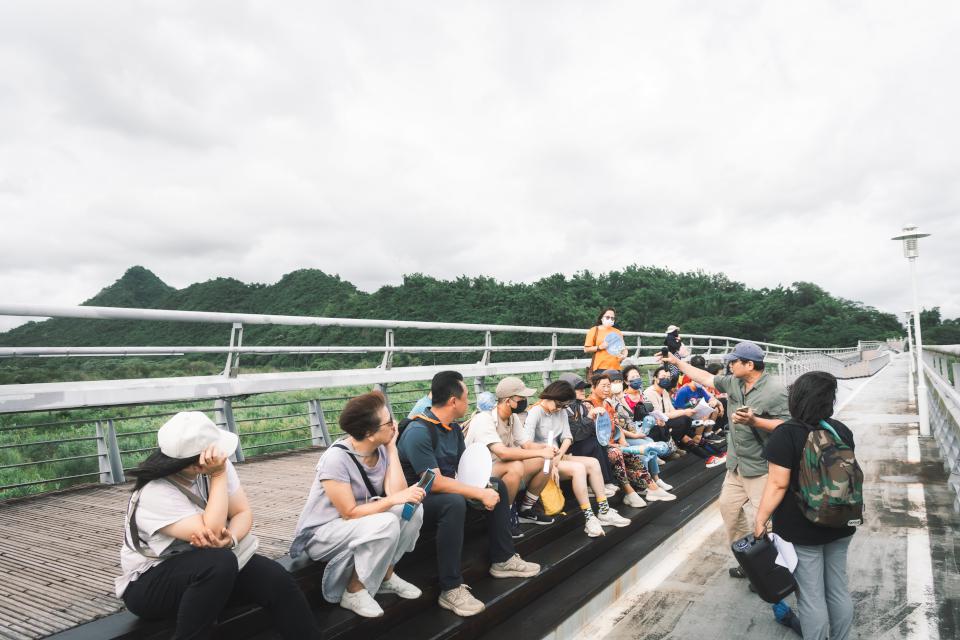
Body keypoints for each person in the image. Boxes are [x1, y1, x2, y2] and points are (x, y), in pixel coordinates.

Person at [117, 411, 320, 639]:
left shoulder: (216, 468)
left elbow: (242, 512)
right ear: (198, 463)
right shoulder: (156, 491)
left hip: (209, 570)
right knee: (218, 561)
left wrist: (231, 538)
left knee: (275, 579)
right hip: (149, 584)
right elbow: (211, 532)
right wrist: (218, 476)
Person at [397, 371, 540, 617]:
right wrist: (476, 492)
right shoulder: (419, 431)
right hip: (414, 501)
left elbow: (462, 470)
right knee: (453, 502)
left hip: (443, 491)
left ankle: (503, 559)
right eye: (466, 398)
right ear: (453, 401)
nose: (469, 403)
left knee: (495, 485)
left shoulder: (452, 429)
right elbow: (432, 482)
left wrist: (482, 488)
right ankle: (450, 588)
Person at [659, 341, 790, 580]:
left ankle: (774, 571)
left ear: (749, 365)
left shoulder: (775, 390)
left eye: (734, 361)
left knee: (766, 522)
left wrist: (755, 422)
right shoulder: (733, 382)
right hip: (736, 466)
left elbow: (787, 426)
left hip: (761, 467)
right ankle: (751, 562)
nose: (729, 365)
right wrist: (678, 362)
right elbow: (705, 377)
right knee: (729, 510)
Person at [290, 391, 425, 618]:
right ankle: (354, 590)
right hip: (324, 533)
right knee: (387, 522)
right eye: (388, 423)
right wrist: (392, 500)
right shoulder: (336, 459)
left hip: (358, 522)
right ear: (369, 433)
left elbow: (398, 493)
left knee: (411, 510)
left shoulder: (381, 449)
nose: (394, 425)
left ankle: (386, 575)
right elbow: (349, 512)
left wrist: (392, 449)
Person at [754, 371, 856, 640]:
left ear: (797, 399)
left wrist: (760, 519)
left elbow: (777, 484)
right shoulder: (841, 430)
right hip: (841, 522)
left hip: (802, 529)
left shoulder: (786, 434)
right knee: (837, 589)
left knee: (811, 596)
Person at [524, 380, 631, 537]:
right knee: (579, 468)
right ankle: (589, 518)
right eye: (559, 405)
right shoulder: (536, 412)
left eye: (564, 406)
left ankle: (604, 511)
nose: (560, 409)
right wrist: (549, 456)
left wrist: (559, 454)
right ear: (551, 396)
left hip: (557, 456)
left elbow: (567, 437)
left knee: (594, 463)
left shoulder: (560, 411)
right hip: (542, 459)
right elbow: (526, 444)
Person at [464, 377, 554, 530]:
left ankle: (525, 510)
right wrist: (541, 452)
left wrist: (544, 448)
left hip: (497, 470)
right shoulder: (484, 419)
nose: (525, 401)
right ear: (507, 401)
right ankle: (504, 517)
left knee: (544, 461)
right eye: (521, 398)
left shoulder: (512, 417)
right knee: (515, 466)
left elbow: (527, 445)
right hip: (478, 477)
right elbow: (503, 453)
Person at [645, 366, 725, 468]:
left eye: (668, 377)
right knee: (685, 424)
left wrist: (688, 412)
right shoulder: (649, 393)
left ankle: (717, 454)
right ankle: (710, 457)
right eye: (663, 376)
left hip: (668, 423)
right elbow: (660, 415)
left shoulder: (664, 392)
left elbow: (672, 411)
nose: (666, 379)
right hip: (657, 427)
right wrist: (684, 412)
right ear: (655, 378)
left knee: (691, 435)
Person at [558, 372, 617, 493]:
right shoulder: (564, 409)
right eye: (578, 388)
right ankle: (596, 485)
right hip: (565, 447)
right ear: (567, 391)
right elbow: (574, 434)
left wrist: (597, 421)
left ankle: (607, 481)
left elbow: (588, 431)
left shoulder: (581, 406)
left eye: (583, 388)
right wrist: (589, 418)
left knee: (598, 442)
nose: (582, 390)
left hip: (577, 442)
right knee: (593, 444)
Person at [584, 307, 628, 375]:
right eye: (607, 317)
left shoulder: (618, 332)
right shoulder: (594, 330)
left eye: (612, 318)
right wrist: (599, 347)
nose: (610, 319)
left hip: (616, 367)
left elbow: (624, 349)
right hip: (600, 368)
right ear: (601, 318)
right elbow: (586, 349)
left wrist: (624, 355)